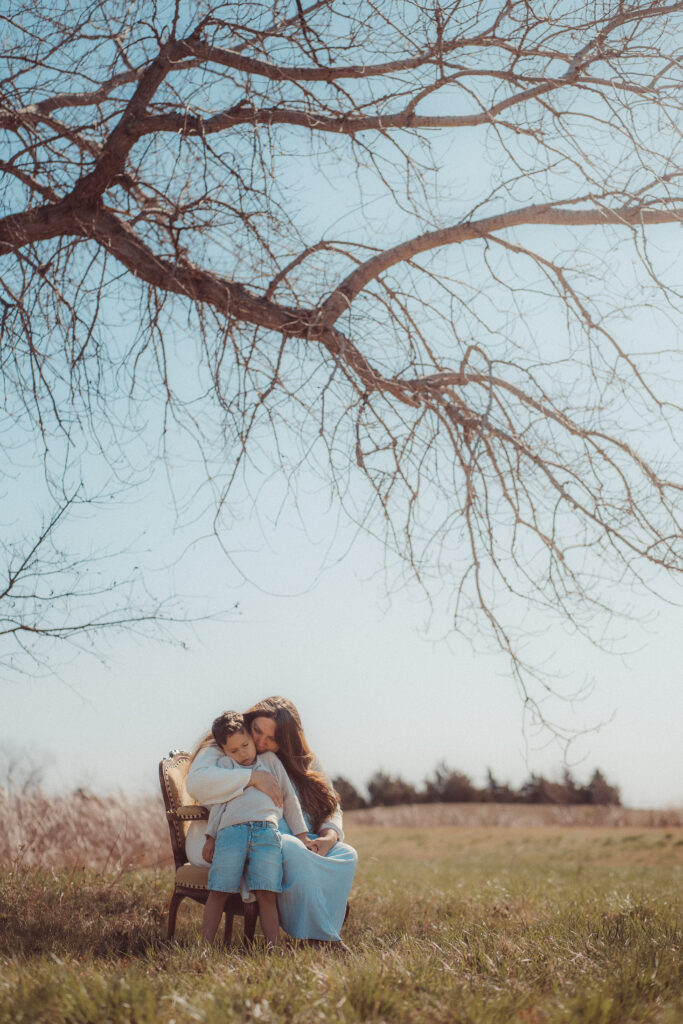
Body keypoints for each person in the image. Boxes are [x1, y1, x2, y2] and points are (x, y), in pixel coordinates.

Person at [186, 696, 357, 945]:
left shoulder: (300, 759)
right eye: (256, 731)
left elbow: (330, 803)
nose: (260, 742)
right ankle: (323, 939)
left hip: (300, 833)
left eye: (272, 738)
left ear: (286, 740)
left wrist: (329, 836)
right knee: (293, 851)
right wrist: (253, 777)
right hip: (243, 833)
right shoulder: (227, 744)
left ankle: (324, 923)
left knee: (347, 854)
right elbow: (197, 783)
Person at [200, 711, 309, 947]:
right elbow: (219, 804)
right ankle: (204, 948)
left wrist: (302, 837)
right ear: (223, 750)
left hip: (266, 833)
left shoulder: (270, 761)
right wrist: (210, 837)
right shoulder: (224, 766)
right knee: (218, 890)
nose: (242, 754)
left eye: (245, 745)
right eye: (233, 750)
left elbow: (289, 798)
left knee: (267, 893)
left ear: (250, 735)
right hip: (230, 834)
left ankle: (273, 948)